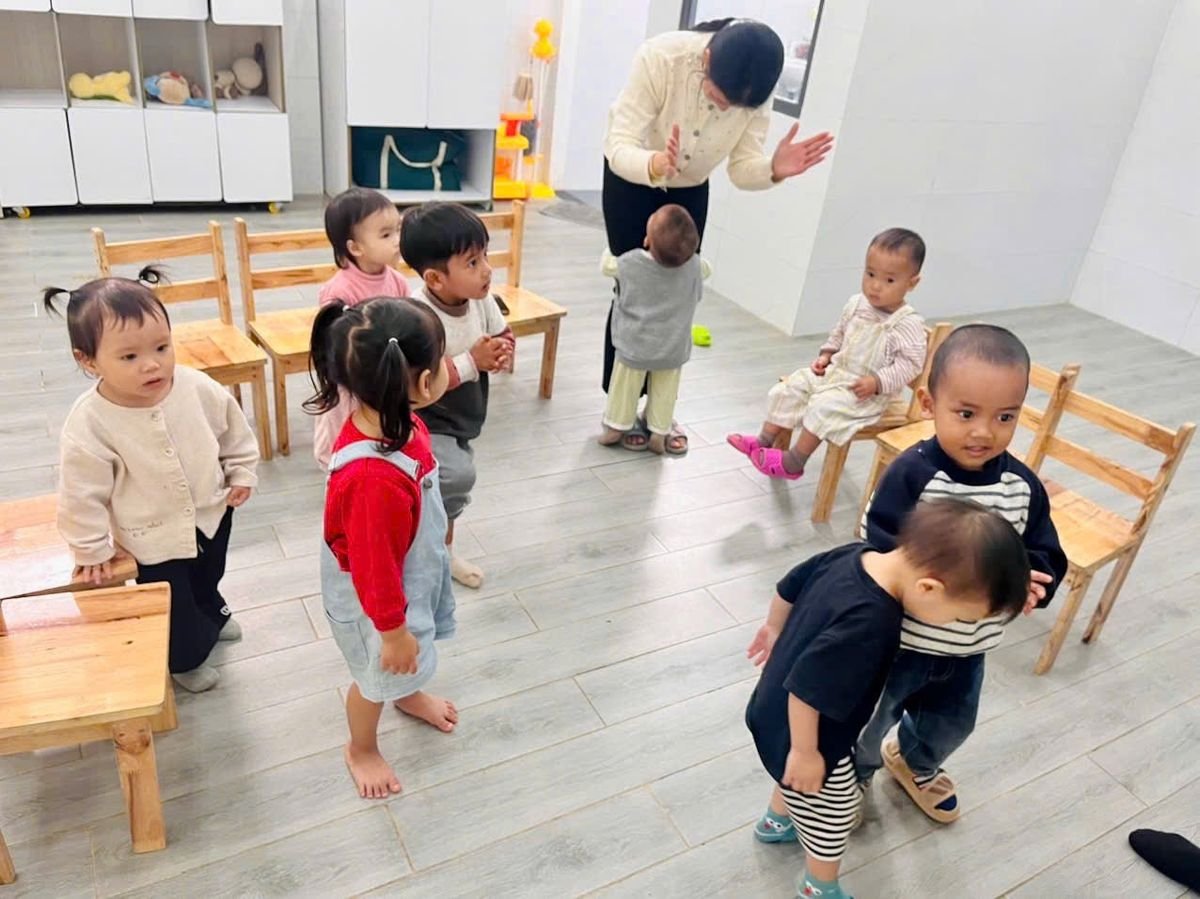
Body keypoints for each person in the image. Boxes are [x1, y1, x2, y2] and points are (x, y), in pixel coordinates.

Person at [746, 499, 1029, 899]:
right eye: (960, 617)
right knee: (834, 813)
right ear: (928, 588)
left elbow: (790, 584)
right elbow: (807, 690)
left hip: (770, 704)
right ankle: (818, 885)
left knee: (796, 781)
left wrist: (774, 628)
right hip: (807, 730)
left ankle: (777, 822)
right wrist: (806, 752)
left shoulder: (855, 555)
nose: (955, 625)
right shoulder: (871, 621)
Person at [855, 324, 1069, 823]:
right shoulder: (913, 474)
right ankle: (857, 774)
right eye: (966, 413)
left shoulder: (1022, 487)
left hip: (970, 647)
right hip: (901, 642)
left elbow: (1044, 551)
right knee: (869, 721)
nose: (984, 432)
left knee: (951, 723)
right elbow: (876, 544)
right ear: (930, 404)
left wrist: (1033, 580)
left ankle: (915, 760)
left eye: (1005, 417)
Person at [47, 269, 259, 693]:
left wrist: (241, 470)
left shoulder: (196, 386)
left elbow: (232, 431)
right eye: (129, 357)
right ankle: (184, 660)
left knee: (209, 573)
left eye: (162, 347)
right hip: (151, 537)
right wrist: (90, 549)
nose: (151, 364)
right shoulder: (90, 423)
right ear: (87, 360)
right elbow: (80, 494)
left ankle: (213, 613)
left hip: (211, 512)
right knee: (173, 601)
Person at [602, 17, 834, 395]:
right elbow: (618, 145)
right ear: (706, 59)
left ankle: (657, 403)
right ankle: (619, 398)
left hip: (690, 190)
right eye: (718, 96)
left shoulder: (754, 89)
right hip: (633, 179)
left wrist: (773, 169)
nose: (723, 107)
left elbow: (742, 169)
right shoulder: (661, 57)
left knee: (678, 293)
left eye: (734, 107)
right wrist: (656, 163)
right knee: (633, 290)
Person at [306, 297, 459, 799]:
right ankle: (362, 748)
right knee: (375, 677)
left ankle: (406, 692)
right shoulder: (372, 479)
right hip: (377, 604)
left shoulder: (398, 420)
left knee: (403, 661)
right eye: (443, 358)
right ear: (422, 382)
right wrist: (392, 633)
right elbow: (373, 569)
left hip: (405, 577)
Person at [727, 228, 928, 479]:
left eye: (889, 280)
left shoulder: (907, 324)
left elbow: (911, 365)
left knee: (824, 407)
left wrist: (876, 382)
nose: (875, 286)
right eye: (870, 274)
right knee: (794, 386)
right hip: (836, 374)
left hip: (865, 393)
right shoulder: (856, 304)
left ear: (912, 283)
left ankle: (795, 461)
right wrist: (827, 355)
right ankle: (763, 440)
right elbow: (839, 334)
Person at [400, 202, 514, 590]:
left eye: (485, 256)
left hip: (465, 415)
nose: (487, 269)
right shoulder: (418, 316)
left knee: (446, 494)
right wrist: (472, 362)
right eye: (472, 262)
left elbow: (501, 333)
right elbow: (419, 385)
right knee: (456, 477)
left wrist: (502, 351)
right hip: (426, 420)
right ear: (435, 279)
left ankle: (440, 552)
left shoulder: (481, 298)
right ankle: (426, 554)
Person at [598, 203, 710, 454]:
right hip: (673, 348)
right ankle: (659, 432)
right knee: (665, 392)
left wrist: (610, 247)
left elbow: (606, 264)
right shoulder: (694, 266)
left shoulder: (630, 263)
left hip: (634, 346)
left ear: (647, 240)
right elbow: (708, 269)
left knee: (625, 389)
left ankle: (616, 426)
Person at [313, 187, 411, 468]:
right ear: (355, 247)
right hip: (352, 382)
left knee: (383, 436)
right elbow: (336, 346)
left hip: (387, 376)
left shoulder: (397, 281)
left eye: (398, 230)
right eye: (386, 235)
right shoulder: (340, 290)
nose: (397, 241)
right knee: (343, 441)